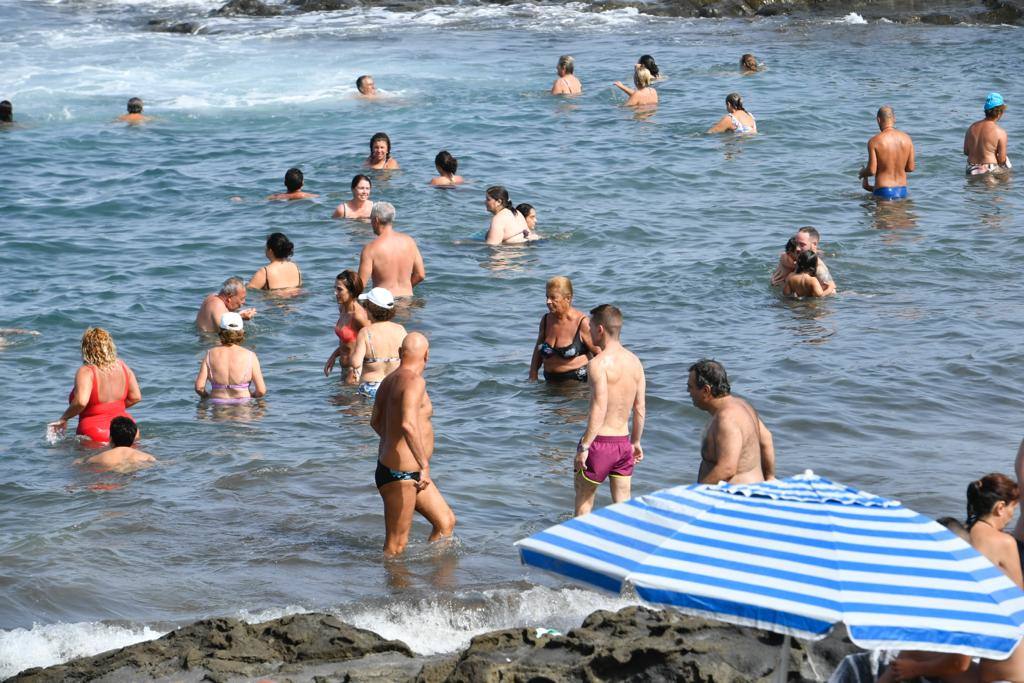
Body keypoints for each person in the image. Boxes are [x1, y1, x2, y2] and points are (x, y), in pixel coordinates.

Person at [881, 476, 1024, 683]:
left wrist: (914, 668)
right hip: (1006, 673)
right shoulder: (1003, 542)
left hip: (998, 675)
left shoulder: (964, 539)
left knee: (912, 654)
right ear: (1000, 507)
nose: (1012, 516)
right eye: (1013, 509)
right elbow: (1019, 595)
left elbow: (959, 662)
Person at [371, 332, 455, 556]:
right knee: (395, 546)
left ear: (400, 353)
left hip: (407, 472)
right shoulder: (415, 382)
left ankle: (434, 587)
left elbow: (375, 422)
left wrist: (392, 442)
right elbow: (408, 424)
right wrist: (423, 464)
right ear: (427, 355)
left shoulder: (388, 380)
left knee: (445, 522)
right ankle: (393, 590)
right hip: (401, 475)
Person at [573, 305, 646, 517]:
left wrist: (585, 445)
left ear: (600, 330)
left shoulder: (597, 364)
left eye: (591, 327)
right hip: (623, 444)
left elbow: (599, 407)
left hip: (599, 444)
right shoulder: (635, 362)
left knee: (584, 505)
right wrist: (635, 442)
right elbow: (640, 407)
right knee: (623, 508)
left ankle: (578, 548)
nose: (588, 332)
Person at [688, 359, 775, 485]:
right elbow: (767, 439)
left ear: (706, 390)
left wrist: (694, 492)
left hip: (738, 495)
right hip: (751, 489)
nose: (688, 392)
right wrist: (770, 478)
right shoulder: (742, 405)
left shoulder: (726, 418)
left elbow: (727, 469)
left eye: (690, 387)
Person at [50, 328, 142, 444]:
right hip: (128, 430)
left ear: (85, 349)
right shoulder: (122, 366)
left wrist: (64, 418)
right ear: (109, 346)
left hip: (96, 432)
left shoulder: (86, 371)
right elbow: (136, 397)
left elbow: (81, 402)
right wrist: (113, 409)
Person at [529, 276, 598, 383]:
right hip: (550, 385)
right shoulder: (546, 320)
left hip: (577, 388)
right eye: (547, 297)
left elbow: (600, 353)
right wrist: (533, 375)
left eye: (553, 298)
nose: (548, 302)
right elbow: (537, 352)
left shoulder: (582, 322)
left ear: (568, 298)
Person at [194, 312, 266, 404]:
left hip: (218, 404)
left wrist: (208, 397)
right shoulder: (250, 356)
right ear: (241, 332)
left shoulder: (210, 354)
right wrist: (251, 396)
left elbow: (199, 387)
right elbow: (261, 391)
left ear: (220, 331)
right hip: (243, 405)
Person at [348, 287, 407, 398]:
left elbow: (355, 363)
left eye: (365, 305)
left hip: (371, 387)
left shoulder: (366, 332)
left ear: (370, 309)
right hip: (394, 386)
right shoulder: (401, 329)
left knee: (365, 414)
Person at [357, 202, 425, 297]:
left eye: (370, 219)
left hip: (382, 303)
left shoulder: (370, 249)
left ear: (376, 220)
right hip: (407, 299)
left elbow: (360, 286)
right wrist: (406, 289)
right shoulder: (410, 242)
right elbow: (420, 275)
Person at [858, 105, 915, 200]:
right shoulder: (907, 139)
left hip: (883, 191)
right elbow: (910, 168)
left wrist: (863, 173)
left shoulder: (874, 141)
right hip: (902, 191)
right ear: (894, 119)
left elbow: (872, 171)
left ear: (878, 120)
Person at [324, 270, 370, 377]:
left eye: (339, 289)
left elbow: (373, 343)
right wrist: (333, 356)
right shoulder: (342, 308)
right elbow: (347, 344)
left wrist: (356, 371)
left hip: (355, 372)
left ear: (352, 292)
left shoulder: (359, 316)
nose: (335, 292)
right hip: (344, 369)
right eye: (334, 288)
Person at [770, 227, 836, 296]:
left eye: (802, 244)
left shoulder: (819, 267)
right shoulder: (788, 256)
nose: (797, 248)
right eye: (796, 244)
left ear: (814, 244)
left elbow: (832, 291)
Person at [80, 417, 156, 473]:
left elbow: (79, 465)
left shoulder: (97, 459)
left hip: (109, 480)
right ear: (133, 439)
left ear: (110, 438)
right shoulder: (147, 458)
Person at [964, 92, 1011, 176]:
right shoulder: (1000, 132)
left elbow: (966, 151)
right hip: (989, 168)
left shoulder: (971, 127)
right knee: (1007, 175)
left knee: (974, 189)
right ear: (1000, 112)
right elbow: (1002, 159)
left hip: (971, 168)